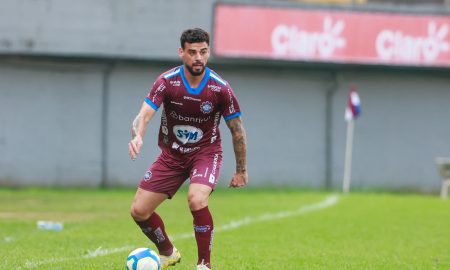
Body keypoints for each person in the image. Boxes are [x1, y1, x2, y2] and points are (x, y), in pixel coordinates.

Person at [128, 28, 248, 270]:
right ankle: (168, 253)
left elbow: (237, 130)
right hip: (172, 155)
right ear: (181, 52)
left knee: (196, 199)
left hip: (205, 154)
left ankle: (204, 264)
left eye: (203, 52)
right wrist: (138, 136)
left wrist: (241, 170)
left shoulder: (220, 88)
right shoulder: (166, 82)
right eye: (192, 52)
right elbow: (144, 114)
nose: (198, 58)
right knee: (139, 211)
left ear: (208, 52)